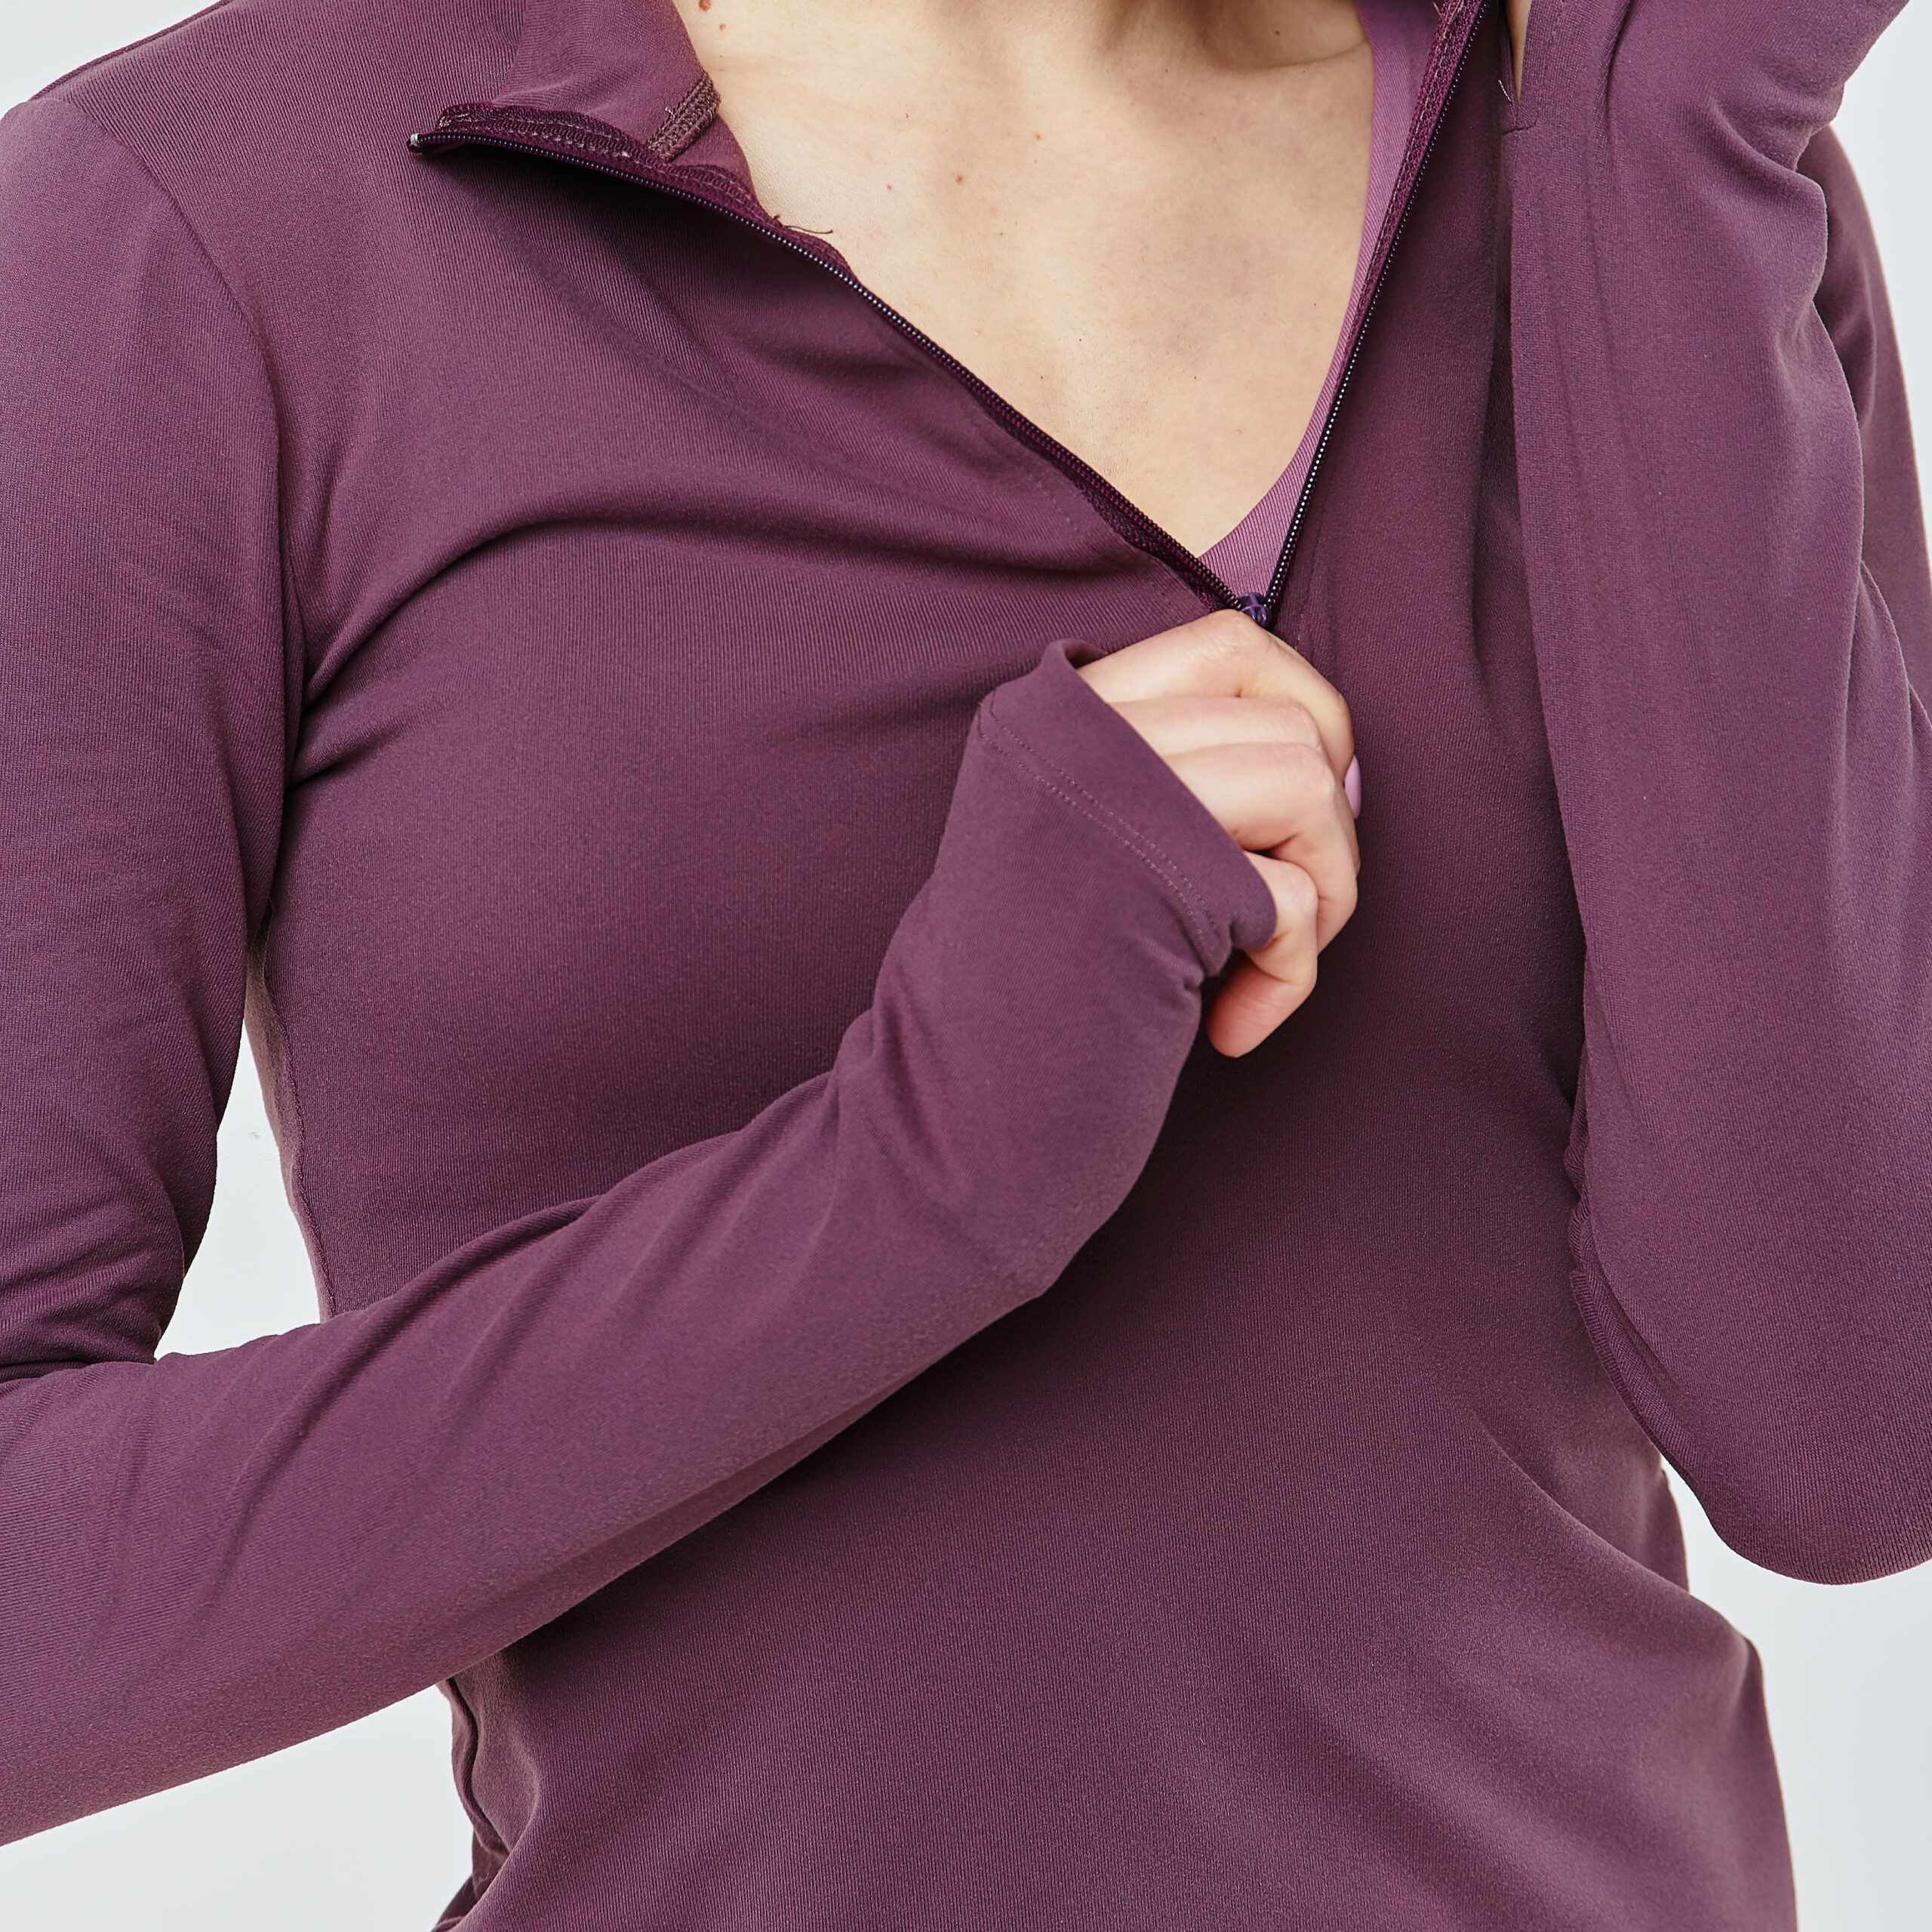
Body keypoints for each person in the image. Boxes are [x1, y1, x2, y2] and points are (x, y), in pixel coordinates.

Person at [0, 0, 1924, 1923]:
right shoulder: (208, 224)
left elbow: (1842, 1432)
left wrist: (1674, 128)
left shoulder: (1605, 146)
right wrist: (920, 1168)